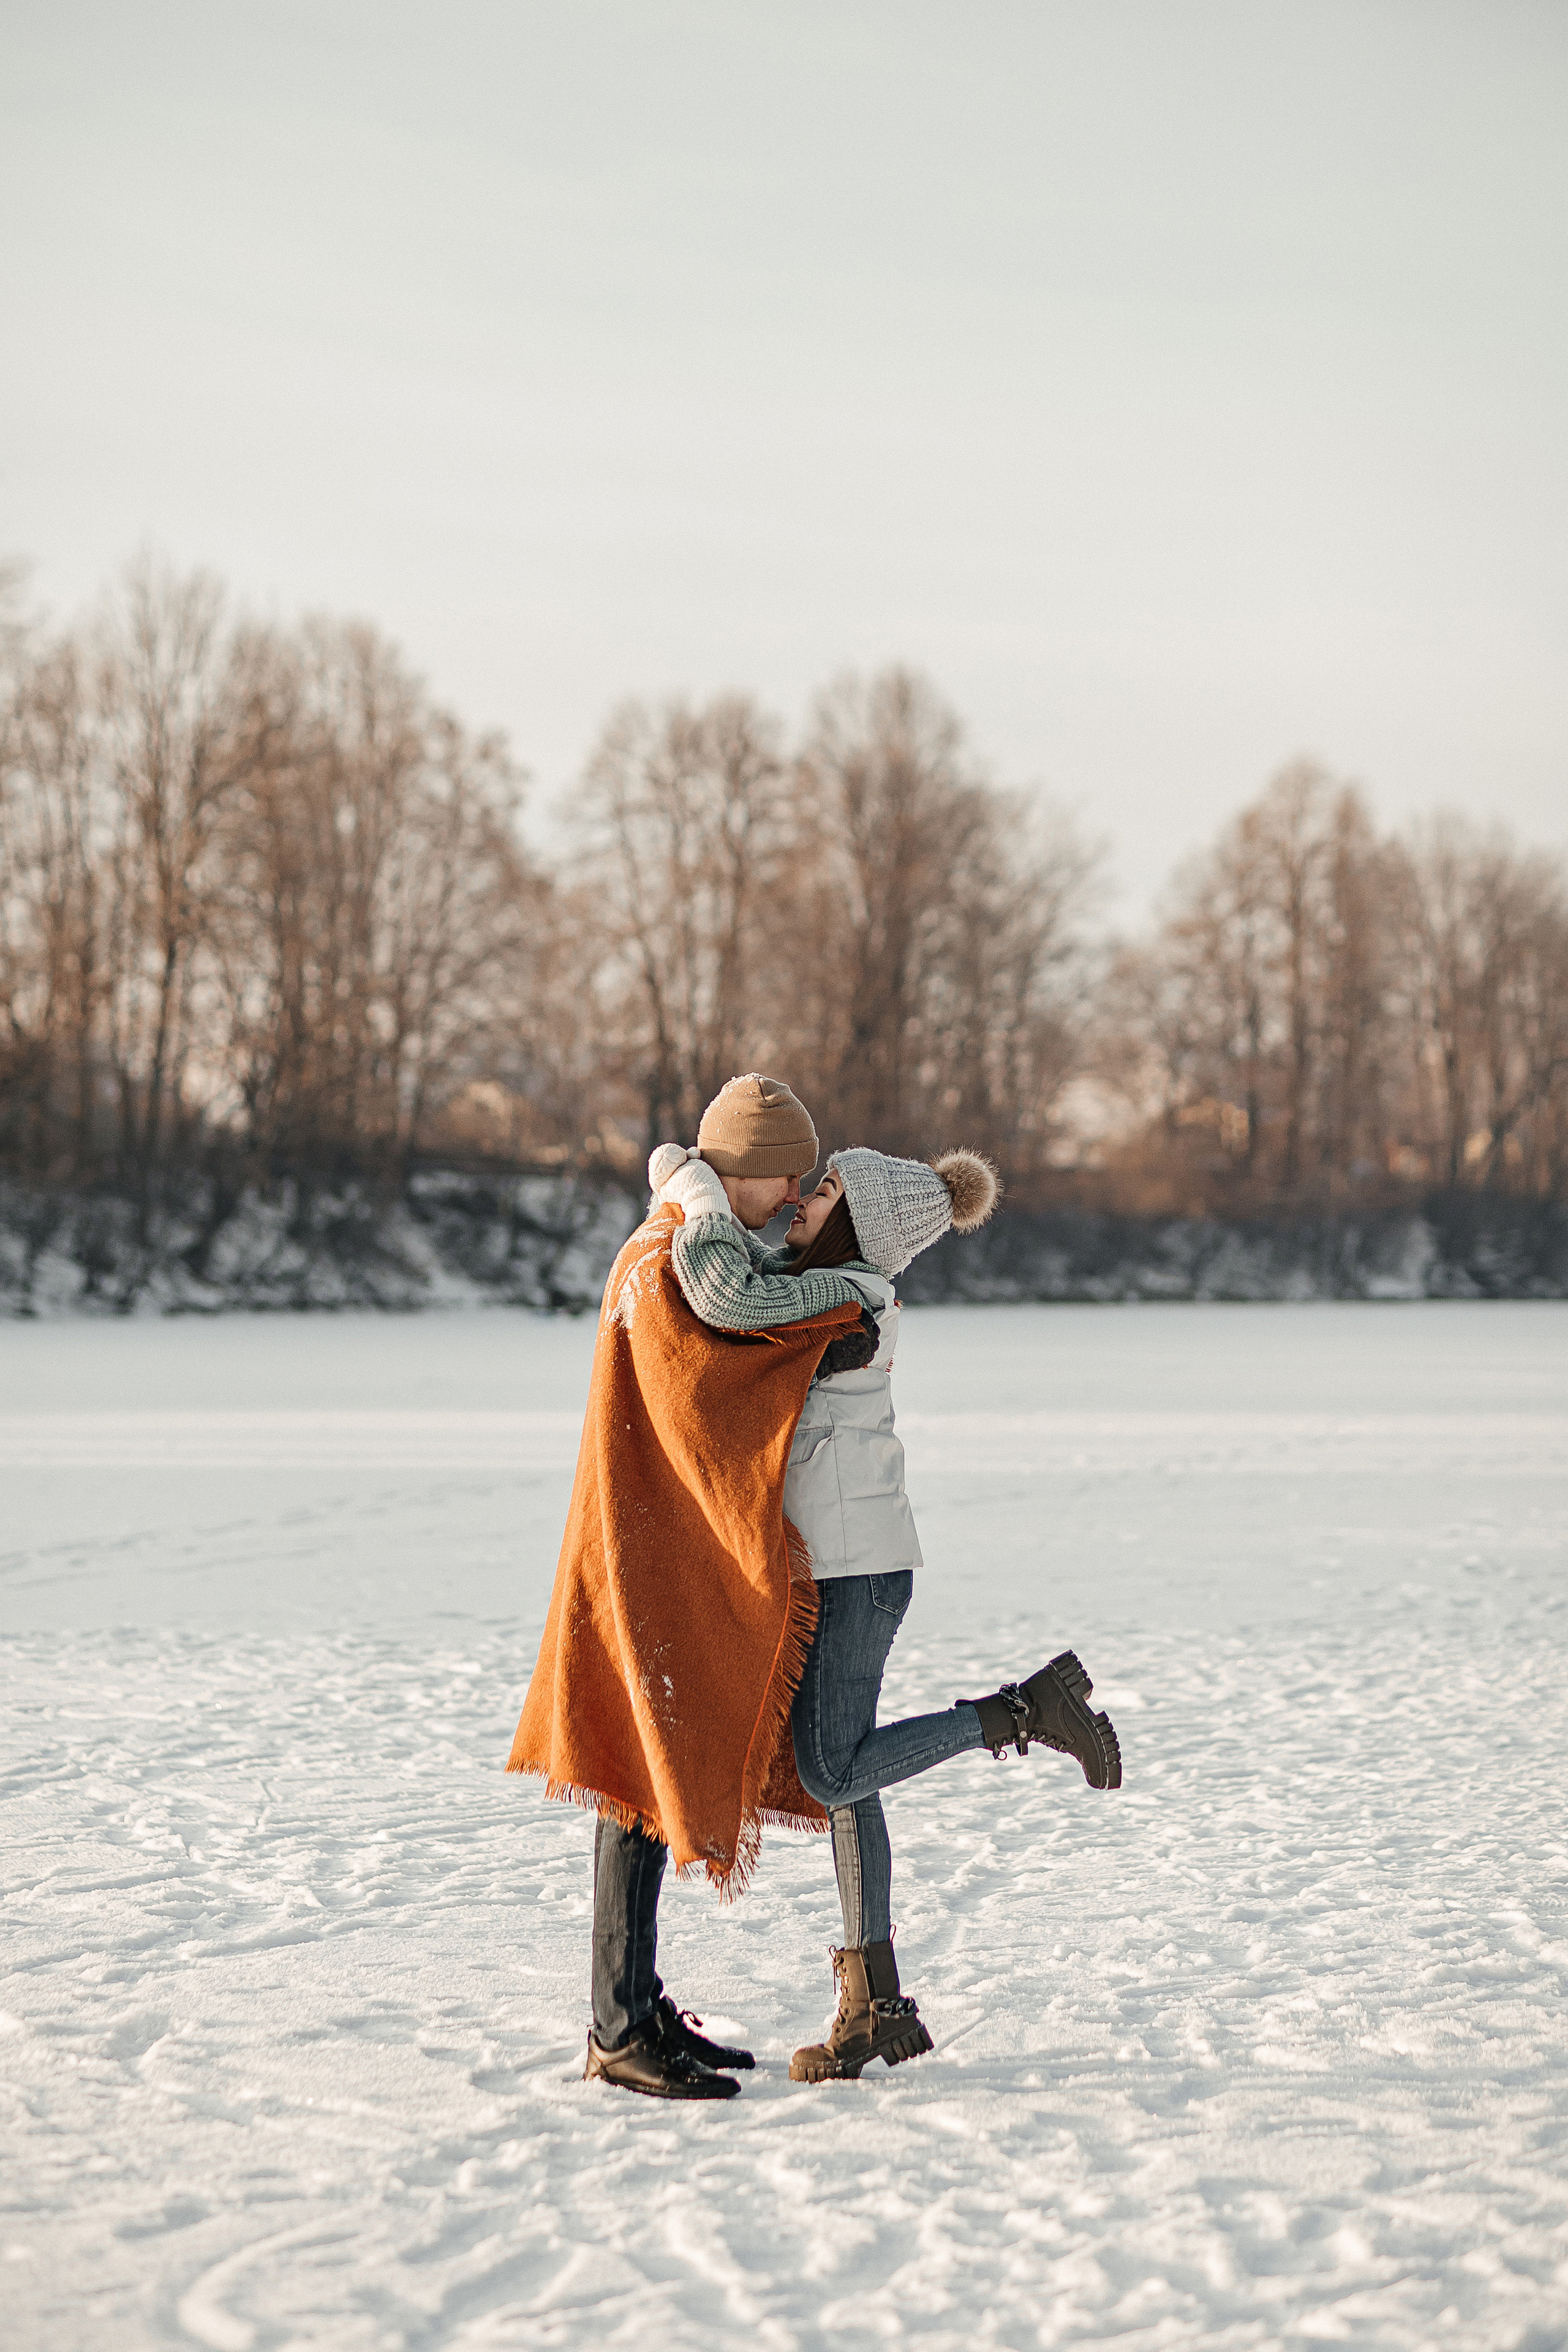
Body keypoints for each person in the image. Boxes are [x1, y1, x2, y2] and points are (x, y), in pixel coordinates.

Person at [652, 1124, 1121, 2084]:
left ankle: (1023, 1710)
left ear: (857, 1223)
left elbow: (729, 1295)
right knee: (847, 1775)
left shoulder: (850, 1303)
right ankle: (875, 2007)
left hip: (858, 1573)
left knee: (828, 1772)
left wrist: (695, 1188)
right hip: (842, 1565)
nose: (801, 1201)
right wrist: (682, 1177)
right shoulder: (827, 1289)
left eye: (821, 1194)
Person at [508, 1074, 862, 2100]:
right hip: (637, 1554)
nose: (796, 1190)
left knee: (644, 1777)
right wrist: (837, 1314)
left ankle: (632, 2001)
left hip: (640, 1546)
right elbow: (710, 1369)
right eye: (785, 1171)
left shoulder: (688, 1237)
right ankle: (618, 2029)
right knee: (632, 1779)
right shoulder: (676, 1253)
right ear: (743, 1167)